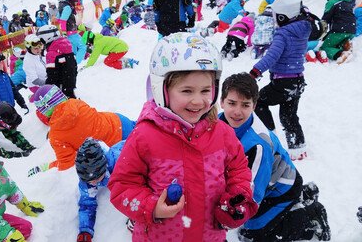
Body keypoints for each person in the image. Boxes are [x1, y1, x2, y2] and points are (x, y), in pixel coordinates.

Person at [108, 32, 258, 241]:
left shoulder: (221, 132)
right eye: (187, 91)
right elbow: (122, 186)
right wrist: (151, 207)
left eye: (205, 90)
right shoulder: (144, 136)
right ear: (162, 90)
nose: (198, 101)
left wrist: (237, 196)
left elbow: (239, 169)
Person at [219, 73, 331, 242]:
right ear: (222, 102)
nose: (237, 111)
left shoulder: (257, 145)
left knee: (251, 235)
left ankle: (309, 216)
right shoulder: (218, 123)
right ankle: (305, 195)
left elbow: (251, 194)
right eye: (232, 103)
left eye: (245, 105)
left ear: (254, 105)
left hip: (279, 189)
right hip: (263, 181)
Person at [248, 0, 311, 161]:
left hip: (283, 81)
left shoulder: (283, 34)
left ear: (283, 17)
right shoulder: (303, 29)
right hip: (297, 81)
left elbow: (272, 56)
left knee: (259, 102)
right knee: (289, 116)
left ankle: (270, 135)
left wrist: (255, 71)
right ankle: (298, 148)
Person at [29, 84, 136, 172]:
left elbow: (68, 163)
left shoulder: (55, 136)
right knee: (139, 129)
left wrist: (50, 166)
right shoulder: (76, 103)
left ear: (44, 112)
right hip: (119, 122)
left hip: (115, 146)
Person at [75, 137, 125, 242]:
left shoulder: (119, 164)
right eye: (88, 181)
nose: (92, 183)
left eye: (95, 179)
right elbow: (87, 202)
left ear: (103, 168)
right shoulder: (87, 176)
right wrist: (85, 230)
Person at [36, 25, 78, 98]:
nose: (42, 43)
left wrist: (46, 88)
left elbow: (52, 76)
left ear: (46, 38)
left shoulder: (51, 54)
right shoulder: (67, 47)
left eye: (41, 41)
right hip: (69, 85)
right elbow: (74, 67)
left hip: (59, 89)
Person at [320, 0, 356, 64]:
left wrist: (319, 34)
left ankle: (342, 54)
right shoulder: (347, 2)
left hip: (339, 30)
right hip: (351, 30)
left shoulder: (331, 2)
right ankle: (345, 43)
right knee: (336, 43)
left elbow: (325, 20)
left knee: (324, 48)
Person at [58, 0, 87, 64]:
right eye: (76, 1)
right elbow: (62, 20)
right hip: (71, 33)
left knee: (72, 50)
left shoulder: (63, 6)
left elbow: (58, 18)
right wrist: (64, 32)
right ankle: (76, 64)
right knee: (83, 47)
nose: (77, 3)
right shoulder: (67, 8)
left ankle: (72, 65)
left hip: (69, 32)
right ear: (73, 1)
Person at [23, 34, 47, 101]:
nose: (39, 50)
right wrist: (47, 82)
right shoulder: (28, 60)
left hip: (45, 80)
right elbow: (34, 80)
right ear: (29, 48)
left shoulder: (42, 53)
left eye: (39, 47)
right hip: (35, 85)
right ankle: (33, 98)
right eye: (35, 48)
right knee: (46, 95)